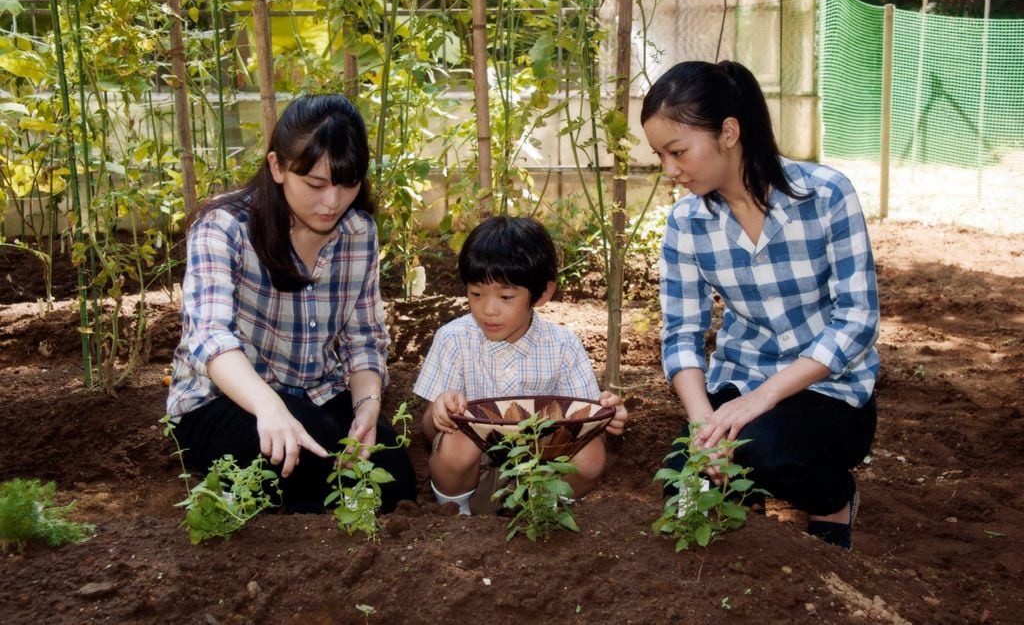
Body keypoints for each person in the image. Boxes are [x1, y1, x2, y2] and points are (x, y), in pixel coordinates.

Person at [641, 60, 879, 549]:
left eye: (678, 151)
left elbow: (856, 320)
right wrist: (702, 421)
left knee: (766, 451)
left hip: (830, 390)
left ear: (729, 132)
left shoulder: (826, 195)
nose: (670, 170)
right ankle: (748, 497)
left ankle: (833, 499)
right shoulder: (687, 223)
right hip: (740, 382)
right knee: (682, 486)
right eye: (660, 155)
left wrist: (761, 399)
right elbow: (682, 333)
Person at [166, 94, 416, 514]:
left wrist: (367, 408)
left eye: (347, 184)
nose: (332, 202)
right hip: (223, 400)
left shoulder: (358, 232)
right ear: (278, 167)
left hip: (316, 393)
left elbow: (364, 340)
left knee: (396, 479)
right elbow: (210, 337)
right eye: (315, 184)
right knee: (323, 472)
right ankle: (237, 495)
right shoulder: (224, 227)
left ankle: (258, 495)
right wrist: (268, 405)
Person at [414, 216, 628, 515]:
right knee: (456, 441)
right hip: (478, 478)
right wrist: (439, 412)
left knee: (591, 454)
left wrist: (606, 416)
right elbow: (427, 429)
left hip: (541, 474)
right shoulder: (454, 339)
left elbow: (583, 421)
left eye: (505, 296)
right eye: (476, 293)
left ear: (542, 294)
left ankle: (548, 513)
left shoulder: (563, 345)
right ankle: (456, 518)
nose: (488, 309)